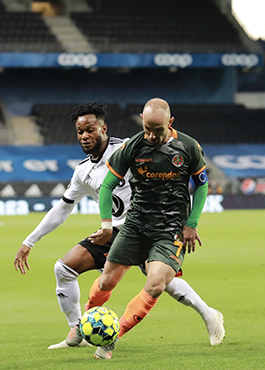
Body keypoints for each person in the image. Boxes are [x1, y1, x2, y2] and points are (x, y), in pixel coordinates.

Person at [13, 102, 224, 351]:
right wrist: (30, 241)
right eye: (80, 132)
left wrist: (187, 221)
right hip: (114, 231)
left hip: (146, 225)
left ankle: (208, 314)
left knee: (160, 282)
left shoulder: (127, 147)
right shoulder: (83, 171)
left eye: (90, 130)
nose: (85, 136)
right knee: (64, 269)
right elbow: (63, 207)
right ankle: (78, 329)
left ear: (104, 128)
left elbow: (187, 179)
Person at [84, 98, 216, 359]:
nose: (151, 136)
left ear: (171, 122)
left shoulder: (188, 147)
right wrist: (106, 224)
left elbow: (201, 185)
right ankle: (81, 327)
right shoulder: (132, 146)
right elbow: (107, 185)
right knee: (107, 280)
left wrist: (192, 223)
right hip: (136, 224)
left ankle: (111, 338)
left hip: (170, 229)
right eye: (147, 129)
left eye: (157, 130)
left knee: (156, 283)